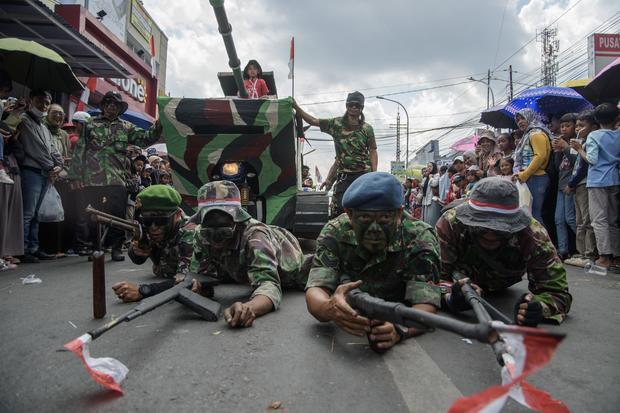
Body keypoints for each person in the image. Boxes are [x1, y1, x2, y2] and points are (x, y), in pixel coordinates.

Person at [305, 172, 441, 351]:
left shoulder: (420, 236)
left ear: (399, 213)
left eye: (385, 218)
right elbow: (316, 290)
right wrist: (328, 308)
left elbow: (426, 304)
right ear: (350, 215)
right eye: (365, 218)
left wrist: (401, 330)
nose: (374, 229)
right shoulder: (335, 232)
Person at [435, 177, 572, 326]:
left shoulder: (533, 235)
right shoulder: (450, 224)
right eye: (481, 227)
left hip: (504, 280)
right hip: (461, 278)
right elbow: (430, 280)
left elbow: (558, 293)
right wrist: (449, 298)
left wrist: (539, 307)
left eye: (500, 229)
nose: (490, 235)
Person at [190, 180, 311, 328]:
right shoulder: (200, 234)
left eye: (223, 233)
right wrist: (198, 287)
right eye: (208, 233)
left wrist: (250, 307)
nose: (215, 240)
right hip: (240, 267)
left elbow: (270, 285)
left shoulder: (256, 236)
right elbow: (203, 275)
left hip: (287, 265)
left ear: (236, 221)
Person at [68, 91, 162, 261]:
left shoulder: (126, 127)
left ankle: (116, 248)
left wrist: (159, 124)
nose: (111, 106)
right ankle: (96, 248)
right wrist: (75, 176)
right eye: (108, 103)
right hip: (92, 179)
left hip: (117, 179)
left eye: (115, 104)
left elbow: (146, 138)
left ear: (120, 108)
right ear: (103, 106)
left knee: (118, 215)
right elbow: (79, 150)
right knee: (93, 215)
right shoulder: (90, 125)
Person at [294, 92, 377, 217]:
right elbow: (312, 120)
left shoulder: (367, 128)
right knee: (339, 209)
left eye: (357, 106)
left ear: (362, 108)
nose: (354, 108)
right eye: (351, 105)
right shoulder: (336, 124)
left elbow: (373, 150)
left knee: (364, 209)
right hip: (344, 175)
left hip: (363, 174)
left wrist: (373, 174)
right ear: (346, 106)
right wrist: (296, 107)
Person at [112, 185, 196, 302]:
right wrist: (139, 251)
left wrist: (144, 291)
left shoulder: (190, 233)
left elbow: (186, 281)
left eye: (161, 220)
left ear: (177, 215)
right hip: (164, 273)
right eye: (147, 221)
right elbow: (137, 258)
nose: (153, 227)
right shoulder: (148, 227)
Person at [13, 90, 63, 263]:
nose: (43, 105)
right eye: (40, 101)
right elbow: (37, 149)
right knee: (28, 213)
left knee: (36, 215)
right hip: (31, 170)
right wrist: (52, 166)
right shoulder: (25, 120)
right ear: (30, 101)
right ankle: (23, 249)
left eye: (47, 102)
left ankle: (33, 248)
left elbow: (53, 150)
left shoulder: (43, 126)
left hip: (43, 172)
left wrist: (59, 165)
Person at [570, 103, 620, 270]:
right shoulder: (617, 134)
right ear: (616, 119)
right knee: (612, 220)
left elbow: (591, 159)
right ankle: (616, 256)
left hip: (597, 181)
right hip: (614, 180)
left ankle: (604, 257)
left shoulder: (594, 136)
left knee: (599, 220)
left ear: (596, 120)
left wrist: (579, 149)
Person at [564, 110, 599, 267]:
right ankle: (580, 252)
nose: (578, 129)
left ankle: (589, 253)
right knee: (579, 220)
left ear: (593, 126)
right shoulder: (581, 143)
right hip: (578, 184)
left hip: (584, 183)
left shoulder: (588, 143)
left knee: (586, 220)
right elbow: (576, 166)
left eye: (582, 125)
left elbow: (584, 166)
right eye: (577, 126)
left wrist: (571, 183)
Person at [513, 108, 552, 225]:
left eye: (523, 118)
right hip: (530, 177)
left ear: (530, 117)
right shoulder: (529, 134)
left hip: (536, 177)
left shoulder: (536, 134)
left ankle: (542, 242)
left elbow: (540, 156)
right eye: (518, 119)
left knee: (534, 215)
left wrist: (525, 174)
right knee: (528, 214)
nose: (520, 122)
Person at [550, 113, 578, 260]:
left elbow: (578, 162)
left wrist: (566, 147)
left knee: (570, 218)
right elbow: (557, 167)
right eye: (562, 126)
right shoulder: (562, 143)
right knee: (558, 219)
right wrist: (557, 152)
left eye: (568, 126)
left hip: (571, 184)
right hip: (561, 185)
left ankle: (585, 249)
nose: (564, 129)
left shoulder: (576, 142)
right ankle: (563, 250)